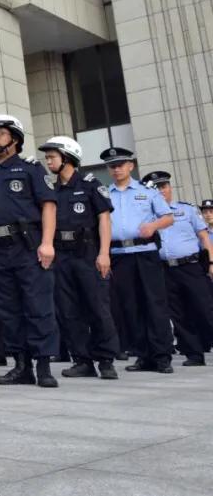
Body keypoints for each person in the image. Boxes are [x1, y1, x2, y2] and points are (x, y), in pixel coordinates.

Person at [0, 114, 59, 388]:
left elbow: (48, 206)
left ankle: (43, 366)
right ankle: (21, 366)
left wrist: (47, 243)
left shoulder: (31, 169)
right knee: (7, 310)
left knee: (37, 306)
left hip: (29, 247)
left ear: (15, 138)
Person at [37, 137, 119, 379]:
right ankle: (82, 360)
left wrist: (104, 253)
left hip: (88, 253)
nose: (48, 160)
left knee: (98, 307)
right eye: (47, 157)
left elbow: (104, 219)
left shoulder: (90, 184)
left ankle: (106, 360)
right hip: (61, 255)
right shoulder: (50, 189)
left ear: (68, 157)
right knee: (69, 310)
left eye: (52, 156)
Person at [101, 147, 175, 373]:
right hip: (119, 256)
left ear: (130, 166)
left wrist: (153, 225)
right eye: (112, 166)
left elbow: (168, 217)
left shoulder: (148, 192)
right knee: (130, 307)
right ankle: (143, 355)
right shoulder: (105, 194)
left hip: (145, 253)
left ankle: (162, 356)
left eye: (120, 164)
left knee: (155, 304)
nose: (116, 169)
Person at [141, 171, 213, 366]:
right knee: (178, 313)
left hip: (190, 266)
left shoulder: (187, 209)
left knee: (205, 309)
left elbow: (204, 236)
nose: (162, 191)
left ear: (170, 188)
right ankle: (194, 354)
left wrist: (212, 262)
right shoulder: (148, 215)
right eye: (157, 188)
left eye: (164, 186)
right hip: (164, 269)